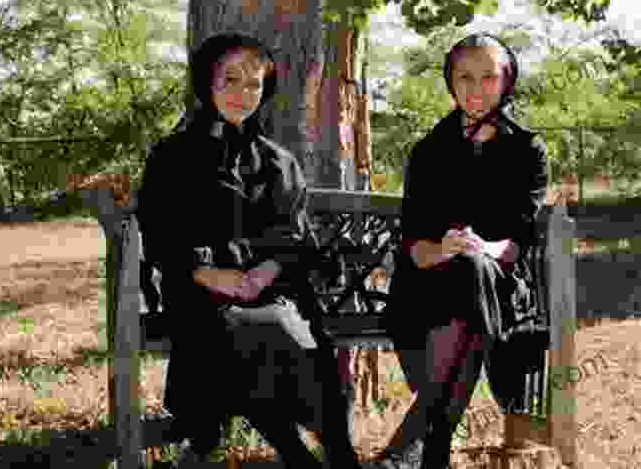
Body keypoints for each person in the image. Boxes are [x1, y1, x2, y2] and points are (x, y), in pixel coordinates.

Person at [136, 32, 362, 468]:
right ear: (207, 82)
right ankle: (299, 452)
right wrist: (208, 273)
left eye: (254, 84)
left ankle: (333, 450)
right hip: (198, 289)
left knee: (292, 329)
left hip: (273, 286)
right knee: (256, 329)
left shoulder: (278, 162)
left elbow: (292, 234)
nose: (243, 94)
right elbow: (161, 233)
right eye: (231, 80)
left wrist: (268, 269)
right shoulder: (173, 157)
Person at [374, 33, 549, 469]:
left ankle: (423, 449)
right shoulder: (429, 150)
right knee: (465, 285)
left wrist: (482, 247)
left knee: (472, 273)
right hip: (427, 282)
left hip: (497, 283)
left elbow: (519, 242)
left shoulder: (527, 149)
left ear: (507, 80)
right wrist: (441, 248)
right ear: (450, 82)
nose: (476, 88)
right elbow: (412, 244)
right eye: (465, 77)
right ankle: (428, 449)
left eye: (489, 77)